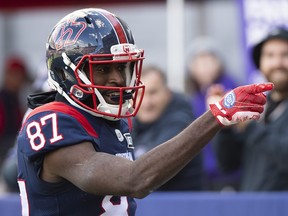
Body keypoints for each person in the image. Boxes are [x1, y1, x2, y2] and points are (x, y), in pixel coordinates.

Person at [16, 8, 273, 216]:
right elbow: (134, 179)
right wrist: (215, 117)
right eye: (103, 69)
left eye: (122, 67)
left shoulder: (110, 119)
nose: (117, 79)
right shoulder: (50, 121)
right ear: (67, 73)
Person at [212, 26, 288, 191]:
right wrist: (225, 123)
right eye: (269, 56)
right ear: (260, 63)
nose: (277, 63)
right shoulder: (258, 107)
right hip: (252, 207)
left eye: (285, 55)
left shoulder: (253, 121)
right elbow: (228, 165)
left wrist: (250, 128)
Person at [132, 65, 203, 191]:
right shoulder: (129, 124)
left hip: (182, 207)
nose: (147, 102)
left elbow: (147, 171)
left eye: (153, 93)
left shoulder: (181, 123)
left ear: (167, 93)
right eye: (139, 94)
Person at [184, 37, 239, 190]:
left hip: (231, 175)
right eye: (199, 62)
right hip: (204, 176)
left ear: (219, 63)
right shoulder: (193, 98)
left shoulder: (232, 92)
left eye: (209, 60)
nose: (205, 67)